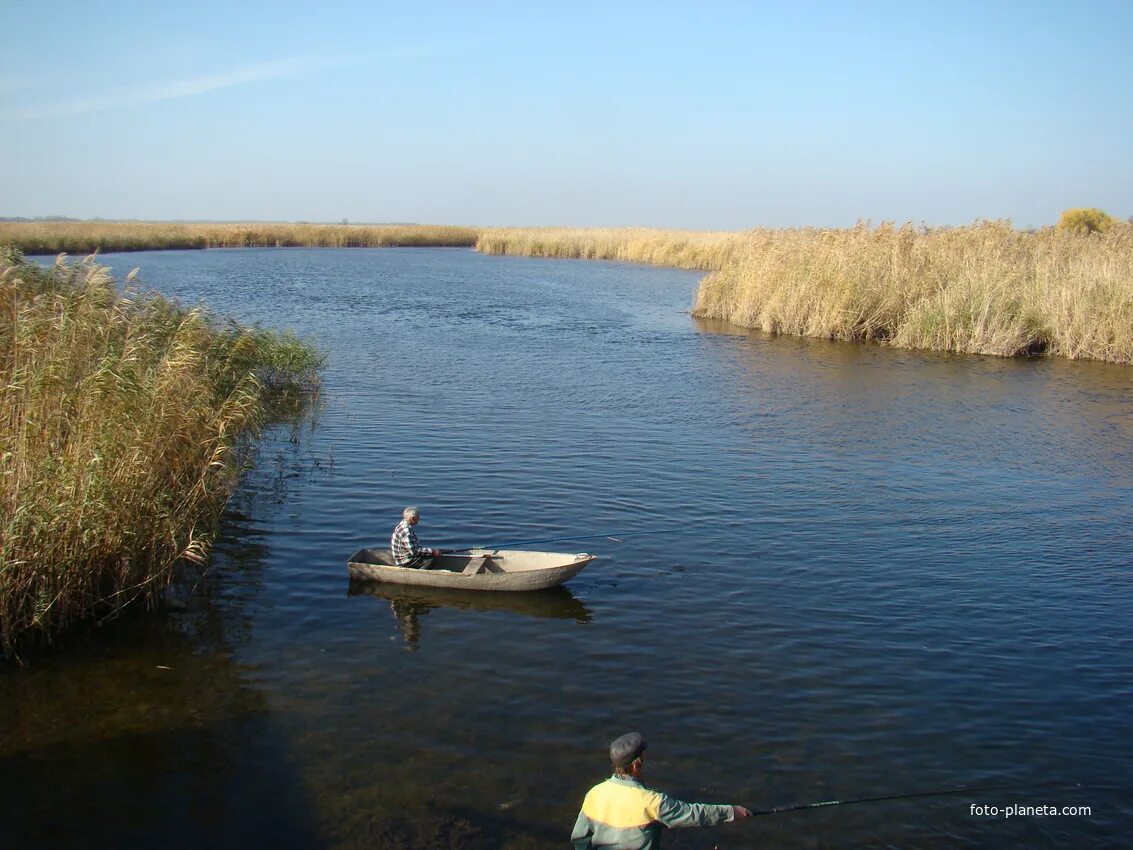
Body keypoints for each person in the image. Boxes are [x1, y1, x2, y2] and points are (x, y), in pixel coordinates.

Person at [571, 732, 750, 850]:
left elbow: (579, 840)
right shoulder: (652, 802)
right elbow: (694, 814)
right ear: (636, 765)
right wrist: (732, 812)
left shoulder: (594, 793)